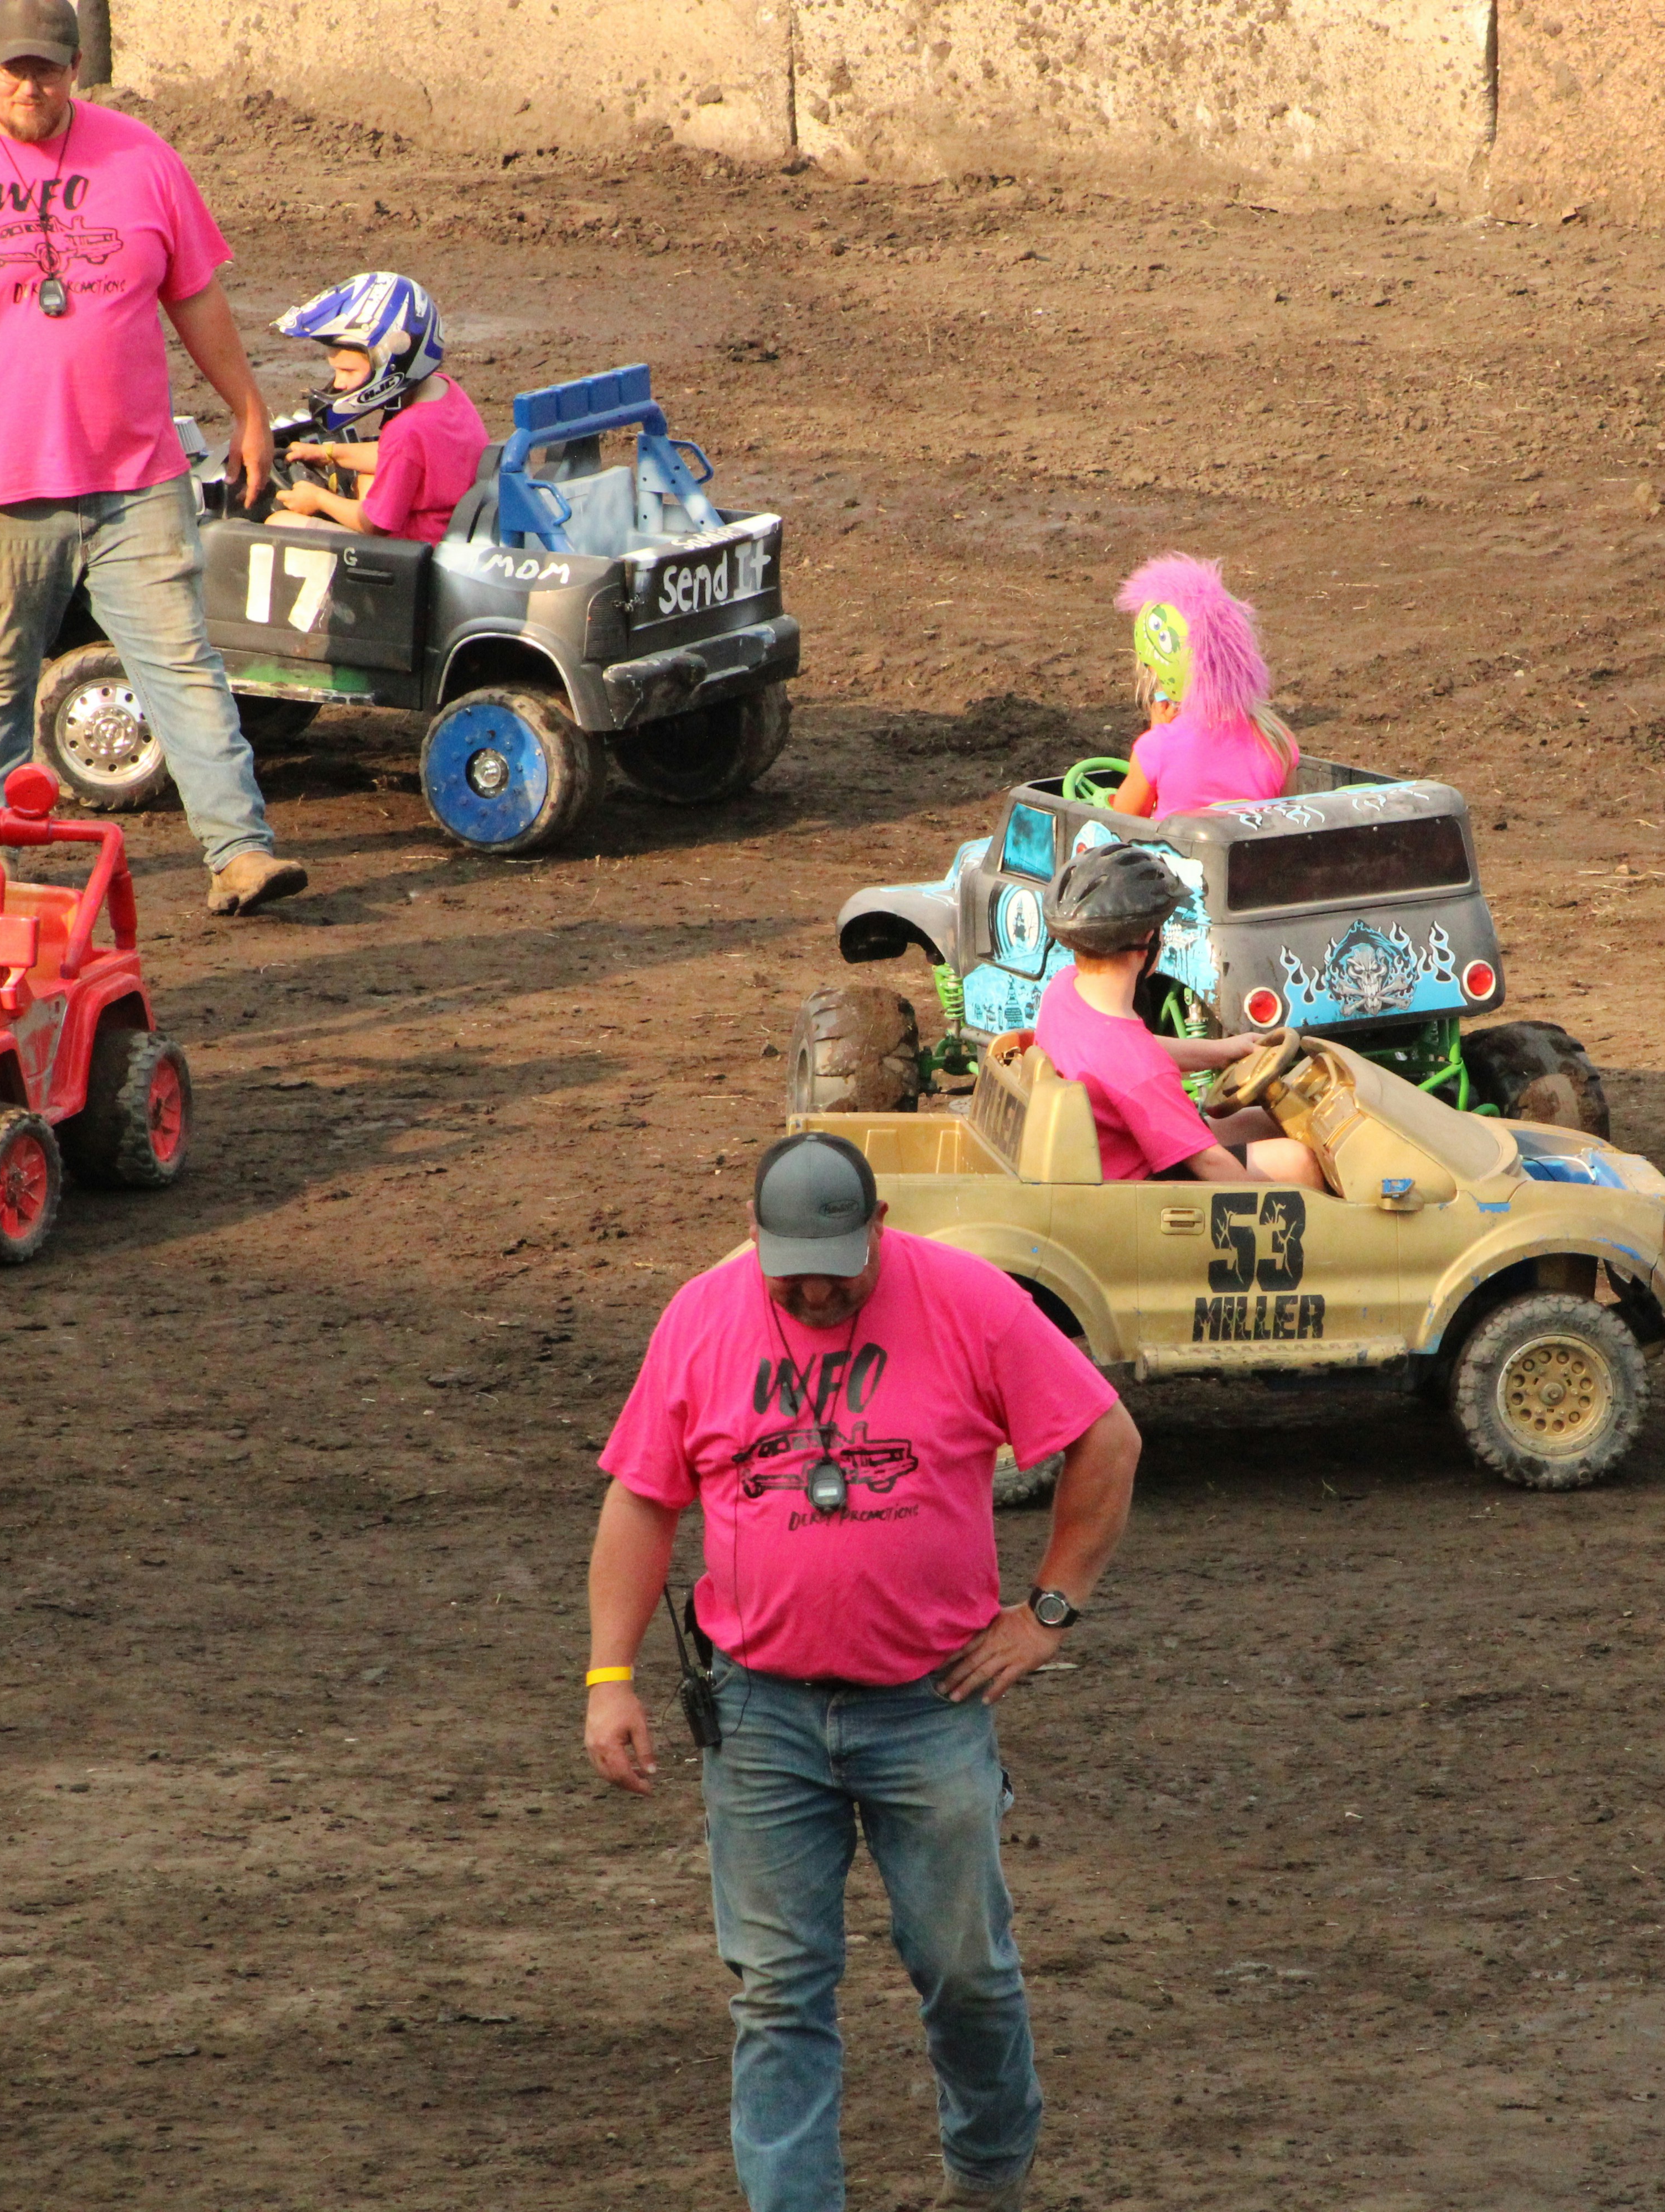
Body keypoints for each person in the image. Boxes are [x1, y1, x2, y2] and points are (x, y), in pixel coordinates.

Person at [584, 1132, 1142, 2212]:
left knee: (965, 1970)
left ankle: (988, 2175)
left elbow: (1104, 1437)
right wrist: (609, 1673)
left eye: (839, 1268)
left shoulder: (969, 1301)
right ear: (755, 1236)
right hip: (758, 1710)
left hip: (930, 1704)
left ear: (879, 1227)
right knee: (778, 1991)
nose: (816, 1290)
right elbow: (643, 1497)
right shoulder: (701, 1315)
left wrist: (1048, 1610)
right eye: (792, 1269)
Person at [0, 0, 309, 916]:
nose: (32, 86)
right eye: (15, 69)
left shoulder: (142, 158)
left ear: (78, 70)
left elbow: (196, 296)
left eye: (51, 70)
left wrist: (249, 408)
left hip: (136, 476)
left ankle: (240, 850)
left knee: (181, 662)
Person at [1029, 843, 1323, 1188]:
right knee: (1296, 1161)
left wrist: (1227, 1051)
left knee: (1265, 1120)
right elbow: (1211, 1164)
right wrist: (1261, 1206)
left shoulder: (1065, 993)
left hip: (1110, 1155)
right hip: (1137, 1190)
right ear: (1149, 938)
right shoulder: (1136, 1064)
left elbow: (1136, 1051)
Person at [262, 273, 486, 544]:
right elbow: (402, 457)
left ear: (390, 362)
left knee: (277, 524)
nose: (339, 383)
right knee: (365, 481)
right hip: (451, 527)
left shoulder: (407, 430)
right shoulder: (444, 392)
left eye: (347, 371)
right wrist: (327, 453)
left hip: (418, 550)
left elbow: (376, 525)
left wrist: (319, 499)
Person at [1104, 552, 1299, 818]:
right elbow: (1288, 818)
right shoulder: (1277, 740)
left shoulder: (1158, 748)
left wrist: (1157, 735)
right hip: (1250, 858)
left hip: (1173, 859)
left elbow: (1122, 824)